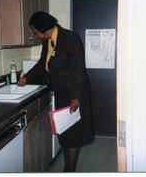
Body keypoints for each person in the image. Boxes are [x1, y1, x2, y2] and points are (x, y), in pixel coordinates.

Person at [18, 11, 94, 172]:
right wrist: (27, 78)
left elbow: (78, 70)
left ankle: (70, 170)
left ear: (44, 29)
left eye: (35, 31)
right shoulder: (48, 41)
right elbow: (41, 64)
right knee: (65, 132)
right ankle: (68, 168)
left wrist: (76, 98)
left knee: (73, 135)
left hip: (75, 92)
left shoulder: (70, 38)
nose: (35, 35)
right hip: (61, 91)